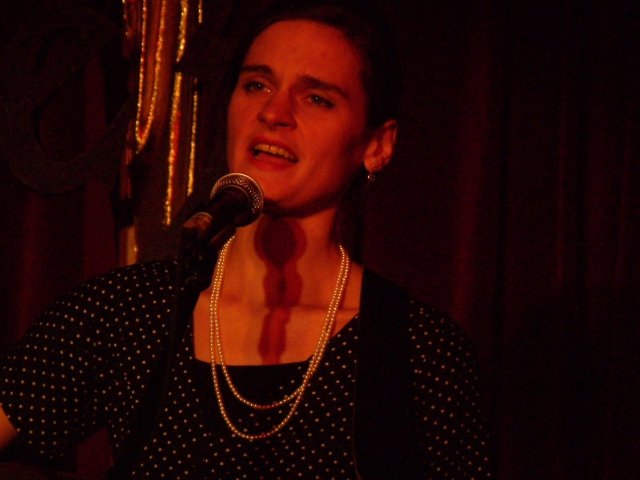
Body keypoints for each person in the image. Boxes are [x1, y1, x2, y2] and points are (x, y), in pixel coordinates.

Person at [0, 1, 494, 478]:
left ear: (377, 145)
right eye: (257, 85)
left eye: (317, 98)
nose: (274, 112)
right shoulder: (127, 313)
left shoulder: (421, 352)